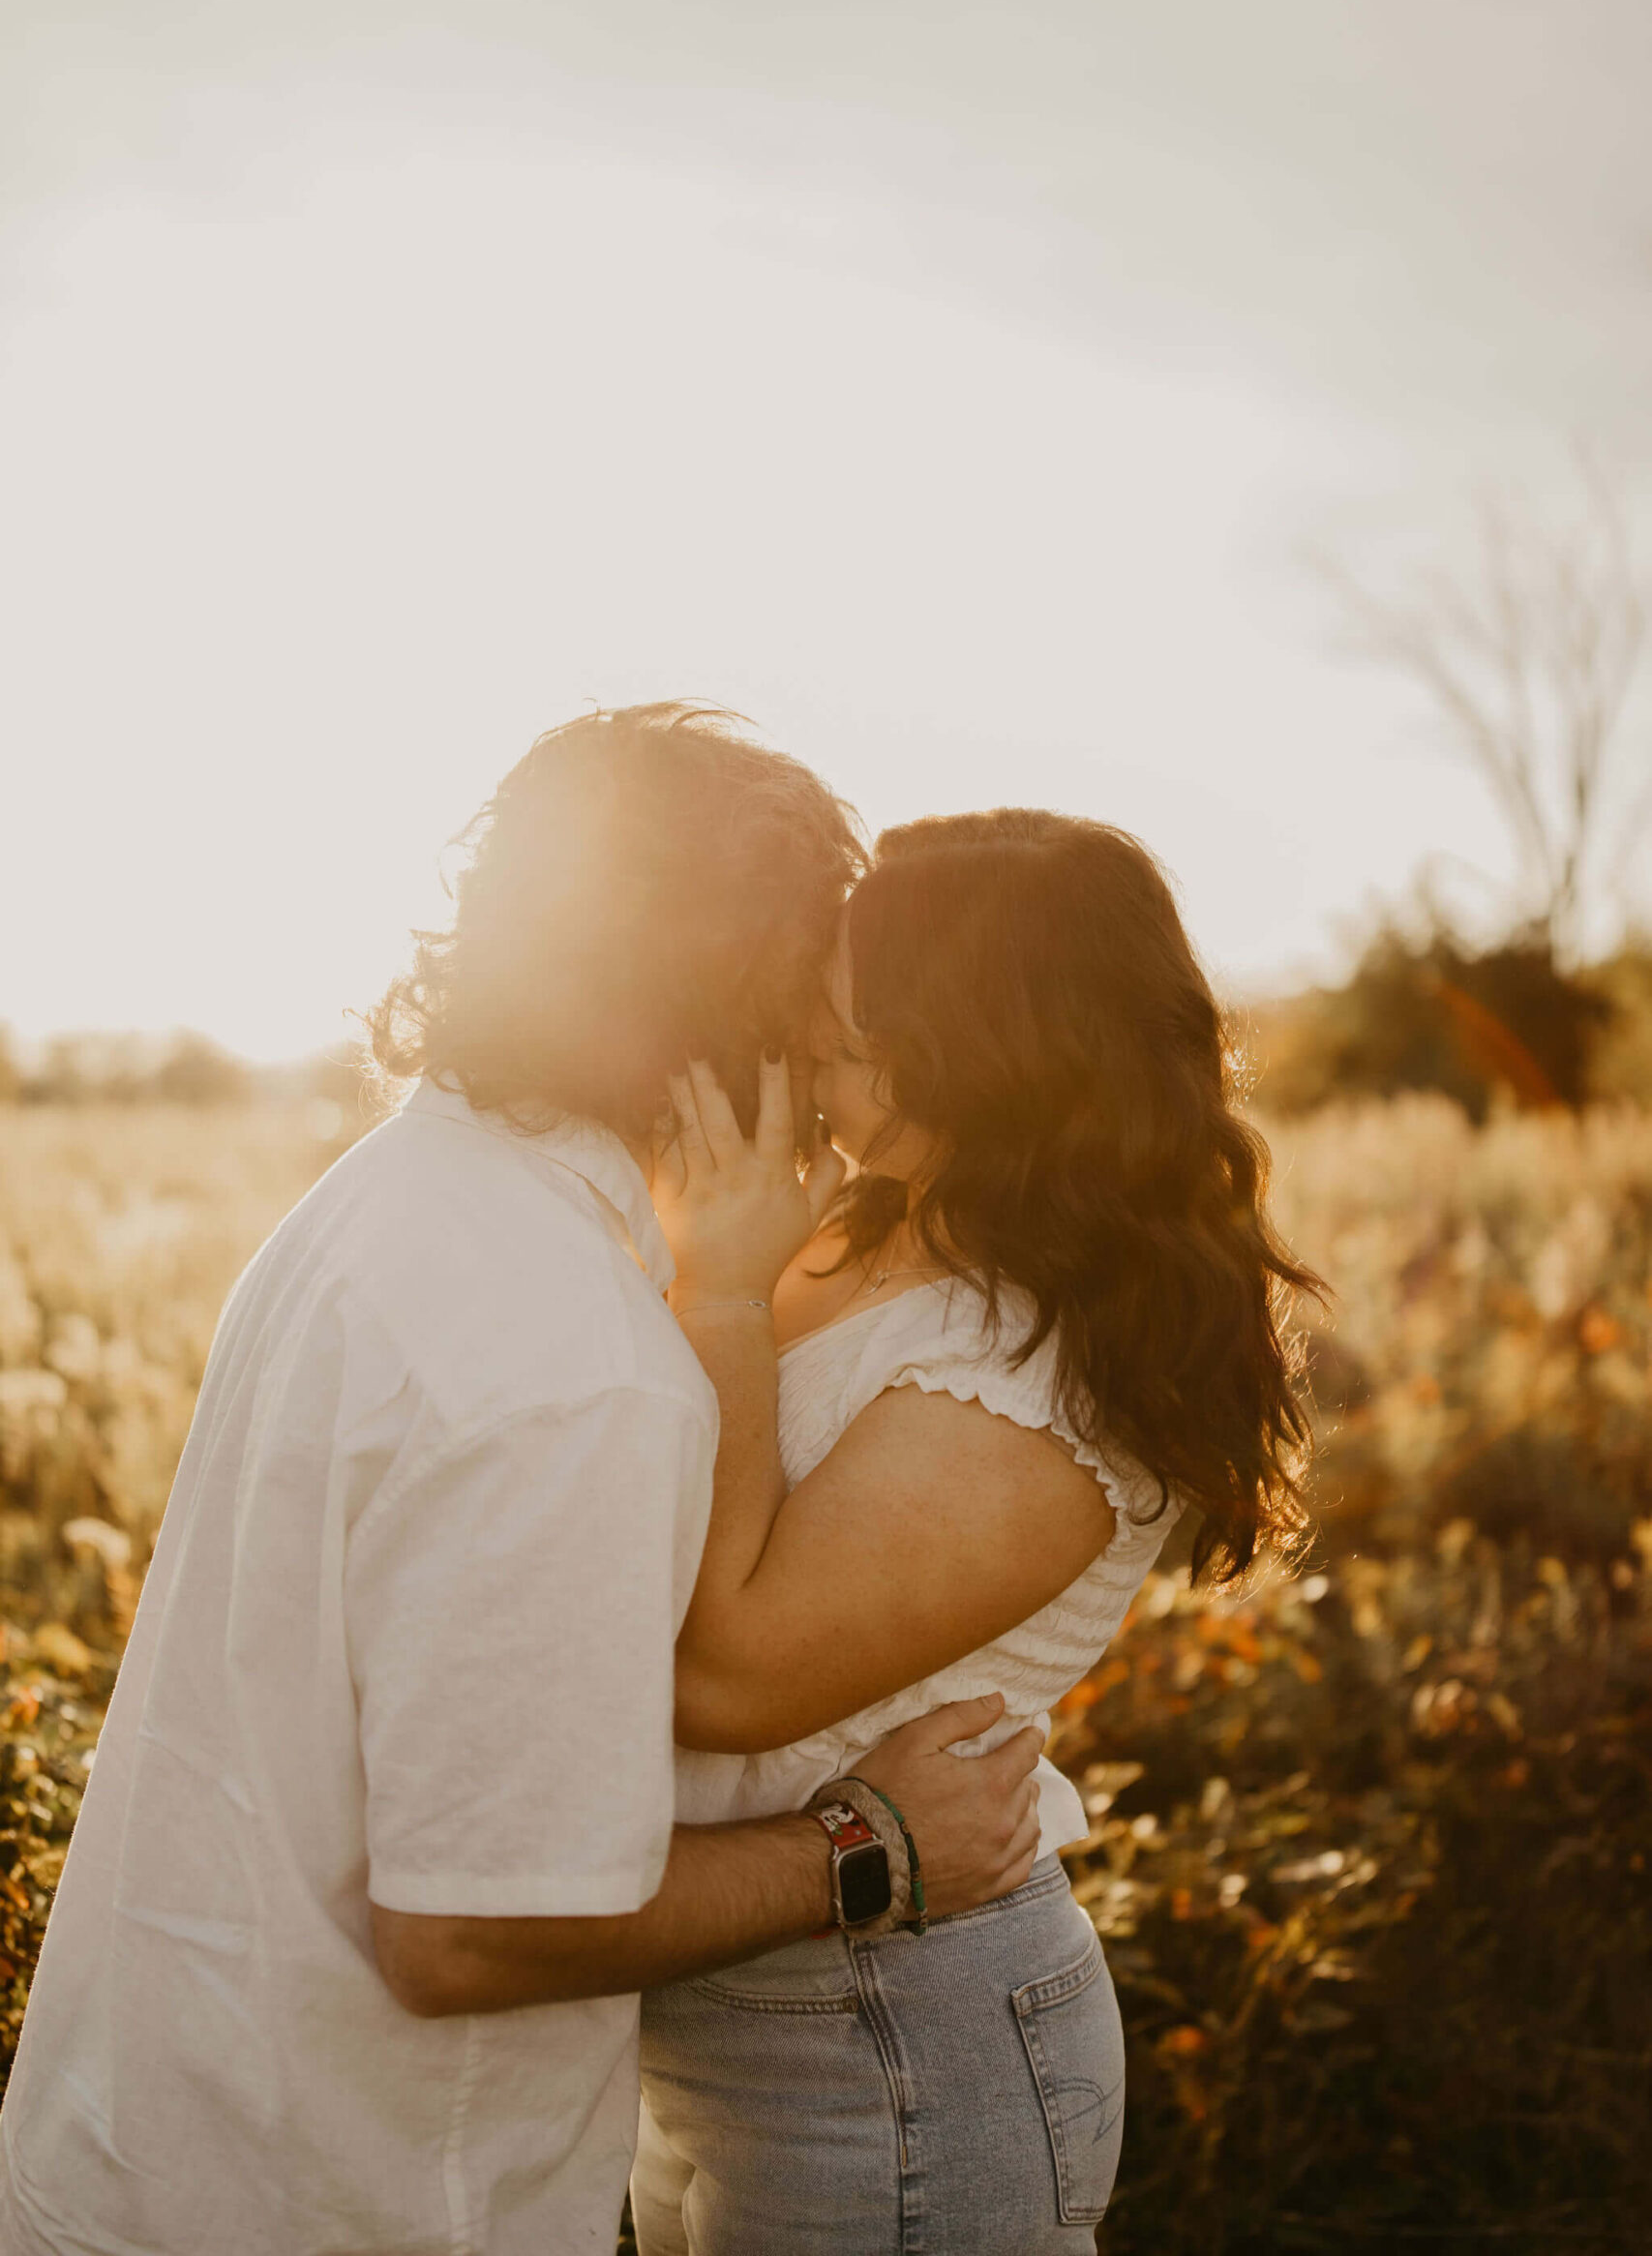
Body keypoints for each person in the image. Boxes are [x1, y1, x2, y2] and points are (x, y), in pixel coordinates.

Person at [0, 710, 1042, 2256]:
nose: (832, 1077)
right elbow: (474, 1928)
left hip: (136, 2149)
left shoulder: (383, 1199)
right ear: (735, 1019)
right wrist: (873, 1849)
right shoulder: (578, 1363)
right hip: (348, 2204)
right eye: (815, 1014)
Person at [631, 809, 1322, 2255]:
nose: (811, 1040)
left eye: (851, 1023)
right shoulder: (855, 1217)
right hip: (712, 2011)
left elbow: (730, 1674)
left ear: (984, 1042)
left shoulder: (1041, 1369)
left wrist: (725, 1298)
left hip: (885, 2041)